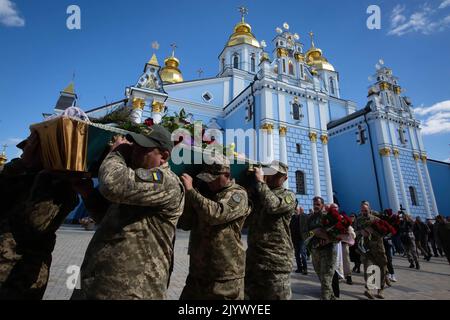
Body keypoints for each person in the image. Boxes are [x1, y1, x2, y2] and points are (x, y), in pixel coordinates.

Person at [77, 125, 185, 299]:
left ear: (164, 156)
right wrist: (88, 194)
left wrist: (117, 152)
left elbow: (113, 184)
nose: (134, 151)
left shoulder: (165, 181)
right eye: (134, 145)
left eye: (144, 149)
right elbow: (108, 220)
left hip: (132, 288)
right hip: (99, 282)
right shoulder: (135, 177)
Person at [0, 131, 80, 299]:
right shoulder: (19, 174)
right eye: (25, 149)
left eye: (31, 149)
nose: (24, 153)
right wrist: (22, 164)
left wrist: (46, 175)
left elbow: (35, 224)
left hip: (18, 273)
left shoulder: (57, 184)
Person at [177, 153, 250, 300]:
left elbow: (216, 214)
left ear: (227, 174)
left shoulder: (238, 194)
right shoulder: (204, 195)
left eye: (214, 179)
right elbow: (185, 224)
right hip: (198, 273)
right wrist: (187, 197)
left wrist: (191, 192)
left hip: (224, 277)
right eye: (207, 179)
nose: (209, 183)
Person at [245, 161, 296, 300]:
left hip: (276, 262)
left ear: (285, 178)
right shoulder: (259, 193)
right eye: (270, 173)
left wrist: (261, 182)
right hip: (255, 260)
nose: (271, 176)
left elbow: (273, 206)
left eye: (276, 174)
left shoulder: (289, 196)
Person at [355, 201, 388, 299]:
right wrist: (360, 232)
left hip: (378, 248)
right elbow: (354, 232)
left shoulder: (376, 219)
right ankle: (369, 289)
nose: (364, 212)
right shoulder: (358, 220)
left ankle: (380, 290)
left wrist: (372, 231)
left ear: (369, 209)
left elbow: (383, 233)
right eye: (362, 210)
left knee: (382, 268)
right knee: (368, 268)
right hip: (366, 248)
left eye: (365, 210)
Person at [306, 196, 337, 300]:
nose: (315, 206)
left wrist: (328, 238)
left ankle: (325, 297)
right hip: (315, 251)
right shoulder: (310, 218)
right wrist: (314, 233)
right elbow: (306, 233)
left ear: (322, 205)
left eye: (318, 204)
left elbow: (338, 234)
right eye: (314, 204)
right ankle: (331, 296)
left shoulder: (327, 217)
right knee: (321, 276)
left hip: (327, 251)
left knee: (326, 278)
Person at [289, 203, 308, 275]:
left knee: (303, 253)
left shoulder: (304, 216)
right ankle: (299, 268)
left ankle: (305, 269)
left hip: (302, 239)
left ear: (300, 210)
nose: (295, 211)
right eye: (295, 210)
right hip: (295, 239)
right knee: (296, 254)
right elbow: (290, 227)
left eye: (296, 209)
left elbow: (309, 227)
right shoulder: (292, 217)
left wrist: (307, 236)